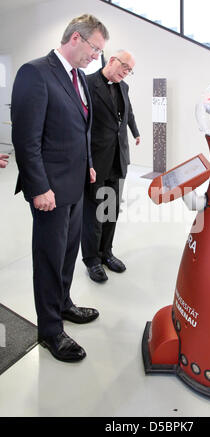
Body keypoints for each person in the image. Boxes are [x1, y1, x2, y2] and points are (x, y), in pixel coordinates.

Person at [11, 14, 109, 363]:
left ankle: (64, 304)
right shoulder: (35, 72)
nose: (96, 57)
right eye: (95, 48)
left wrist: (89, 165)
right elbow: (26, 138)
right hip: (49, 191)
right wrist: (39, 187)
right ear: (76, 39)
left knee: (68, 253)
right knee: (50, 259)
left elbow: (79, 128)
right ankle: (50, 330)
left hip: (75, 184)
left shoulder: (79, 77)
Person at [81, 50, 140, 283]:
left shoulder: (123, 87)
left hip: (118, 157)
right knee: (94, 213)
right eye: (125, 68)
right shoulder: (87, 84)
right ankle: (92, 260)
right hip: (96, 160)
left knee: (111, 210)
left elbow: (129, 112)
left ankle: (106, 253)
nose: (126, 74)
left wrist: (135, 132)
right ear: (113, 61)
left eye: (130, 71)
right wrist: (85, 160)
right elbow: (80, 123)